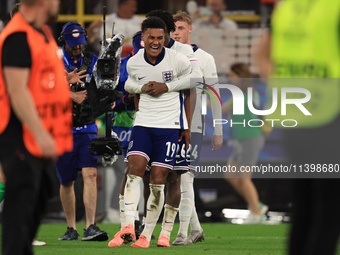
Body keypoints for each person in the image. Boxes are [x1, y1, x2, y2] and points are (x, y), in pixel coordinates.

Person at [108, 9, 203, 248]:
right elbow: (129, 84)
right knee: (134, 169)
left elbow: (195, 81)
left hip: (171, 126)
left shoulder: (179, 58)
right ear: (143, 37)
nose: (156, 42)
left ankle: (152, 234)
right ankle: (128, 226)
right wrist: (140, 90)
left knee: (163, 179)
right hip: (143, 123)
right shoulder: (134, 62)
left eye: (160, 38)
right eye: (151, 37)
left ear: (166, 38)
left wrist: (166, 87)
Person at [259, 0, 340, 254]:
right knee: (329, 210)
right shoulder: (332, 8)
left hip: (296, 116)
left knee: (305, 207)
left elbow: (261, 54)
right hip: (331, 114)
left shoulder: (287, 7)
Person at [0, 0, 73, 253]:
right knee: (19, 207)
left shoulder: (41, 32)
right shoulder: (17, 36)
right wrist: (41, 134)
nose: (59, 4)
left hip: (39, 133)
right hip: (21, 134)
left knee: (43, 190)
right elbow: (16, 90)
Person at [171, 10, 223, 245]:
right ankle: (196, 229)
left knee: (186, 178)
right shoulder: (166, 55)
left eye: (181, 28)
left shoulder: (205, 58)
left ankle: (183, 233)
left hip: (194, 125)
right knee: (174, 179)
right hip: (168, 124)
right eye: (173, 28)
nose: (176, 32)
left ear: (190, 29)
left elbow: (215, 96)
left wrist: (219, 131)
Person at [56, 21, 108, 241]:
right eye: (72, 44)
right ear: (64, 41)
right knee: (67, 181)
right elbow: (44, 88)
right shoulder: (55, 60)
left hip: (87, 126)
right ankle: (71, 228)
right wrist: (71, 94)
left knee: (90, 173)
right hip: (61, 127)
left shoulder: (93, 60)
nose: (77, 47)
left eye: (80, 43)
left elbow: (103, 86)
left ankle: (90, 226)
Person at [221, 63, 268, 224]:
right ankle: (258, 206)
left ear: (240, 76)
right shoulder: (243, 92)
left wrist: (199, 103)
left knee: (244, 177)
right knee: (230, 175)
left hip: (251, 138)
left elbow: (223, 109)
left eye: (232, 75)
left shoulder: (244, 92)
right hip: (243, 140)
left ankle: (256, 213)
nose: (229, 78)